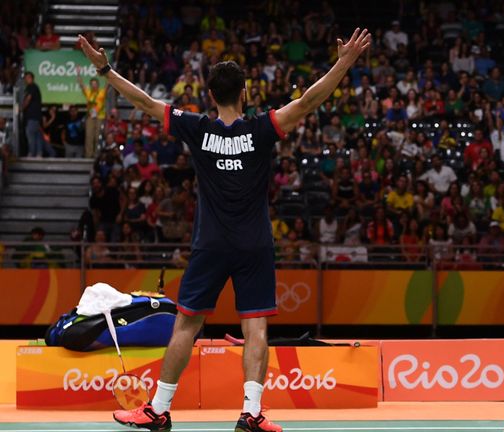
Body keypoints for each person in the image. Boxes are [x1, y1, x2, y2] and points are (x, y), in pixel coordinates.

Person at [78, 27, 371, 431]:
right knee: (255, 328)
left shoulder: (196, 128)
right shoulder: (263, 129)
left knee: (186, 325)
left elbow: (144, 102)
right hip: (254, 245)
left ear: (211, 96)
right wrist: (345, 62)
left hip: (211, 245)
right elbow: (309, 100)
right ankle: (251, 412)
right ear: (245, 93)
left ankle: (158, 410)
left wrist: (105, 70)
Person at [76, 69, 108, 158]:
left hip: (100, 117)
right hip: (90, 117)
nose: (94, 85)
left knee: (98, 137)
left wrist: (108, 73)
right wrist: (78, 74)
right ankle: (88, 155)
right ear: (90, 85)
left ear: (98, 85)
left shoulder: (102, 92)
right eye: (92, 84)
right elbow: (81, 85)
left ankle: (97, 156)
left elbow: (108, 84)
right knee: (89, 137)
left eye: (95, 84)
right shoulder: (88, 92)